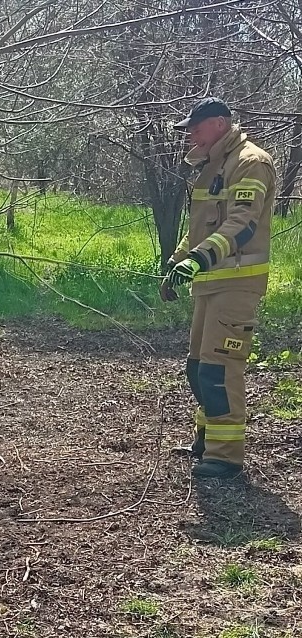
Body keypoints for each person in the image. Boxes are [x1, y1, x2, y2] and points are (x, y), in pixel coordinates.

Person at [161, 97, 276, 479]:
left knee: (219, 369)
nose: (190, 134)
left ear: (220, 124)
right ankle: (207, 441)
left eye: (196, 126)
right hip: (211, 284)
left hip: (237, 283)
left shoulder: (250, 161)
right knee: (198, 368)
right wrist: (180, 261)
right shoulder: (213, 165)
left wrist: (201, 259)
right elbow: (203, 227)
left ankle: (225, 457)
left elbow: (243, 223)